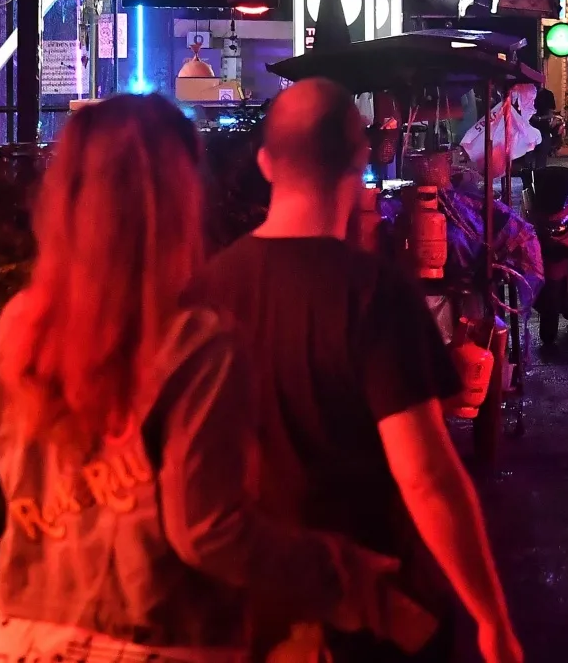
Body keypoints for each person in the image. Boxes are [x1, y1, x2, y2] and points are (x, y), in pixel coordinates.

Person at [0, 95, 392, 663]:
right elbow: (207, 532)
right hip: (152, 637)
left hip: (18, 632)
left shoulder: (21, 328)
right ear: (178, 197)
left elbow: (20, 486)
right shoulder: (196, 343)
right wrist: (337, 570)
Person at [194, 81, 521, 663]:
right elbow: (426, 477)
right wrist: (490, 616)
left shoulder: (206, 291)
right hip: (367, 611)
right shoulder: (374, 295)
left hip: (247, 612)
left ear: (266, 164)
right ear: (360, 160)